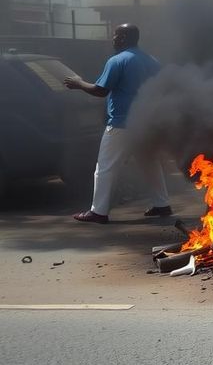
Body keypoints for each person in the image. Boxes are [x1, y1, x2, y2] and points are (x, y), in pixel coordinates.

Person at [63, 24, 171, 223]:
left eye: (115, 35)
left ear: (122, 37)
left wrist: (78, 83)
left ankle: (98, 212)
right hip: (148, 123)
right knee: (150, 163)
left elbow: (100, 90)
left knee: (105, 167)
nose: (112, 38)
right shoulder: (152, 61)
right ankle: (162, 205)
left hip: (122, 124)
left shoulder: (118, 60)